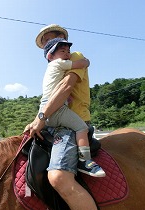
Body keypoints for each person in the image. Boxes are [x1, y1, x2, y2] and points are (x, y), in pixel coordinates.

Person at [24, 24, 100, 210]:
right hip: (55, 116)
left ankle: (84, 163)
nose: (47, 45)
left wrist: (41, 118)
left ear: (61, 39)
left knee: (59, 177)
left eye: (50, 39)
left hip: (68, 124)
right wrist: (36, 120)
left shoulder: (74, 57)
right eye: (45, 44)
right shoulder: (54, 68)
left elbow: (65, 88)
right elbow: (50, 96)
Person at [40, 37, 105, 177]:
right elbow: (80, 64)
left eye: (68, 50)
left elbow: (62, 88)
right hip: (56, 109)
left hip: (47, 106)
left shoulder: (52, 68)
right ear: (50, 55)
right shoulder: (59, 64)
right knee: (82, 128)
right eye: (62, 50)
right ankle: (85, 160)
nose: (67, 53)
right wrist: (87, 61)